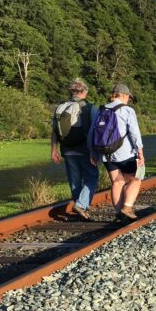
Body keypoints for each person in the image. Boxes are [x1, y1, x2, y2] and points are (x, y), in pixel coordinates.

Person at [89, 83, 145, 222]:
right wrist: (140, 151)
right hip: (125, 153)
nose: (128, 100)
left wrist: (93, 153)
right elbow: (134, 133)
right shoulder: (127, 110)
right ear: (124, 95)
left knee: (117, 182)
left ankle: (118, 215)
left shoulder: (101, 110)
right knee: (135, 179)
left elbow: (92, 133)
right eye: (128, 98)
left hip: (106, 154)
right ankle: (127, 208)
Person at [51, 78, 99, 220]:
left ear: (70, 92)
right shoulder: (90, 108)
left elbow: (54, 131)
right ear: (84, 92)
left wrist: (53, 150)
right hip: (85, 149)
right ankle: (81, 204)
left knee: (74, 180)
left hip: (67, 150)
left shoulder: (60, 107)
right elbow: (95, 131)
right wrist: (93, 151)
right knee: (92, 177)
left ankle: (80, 205)